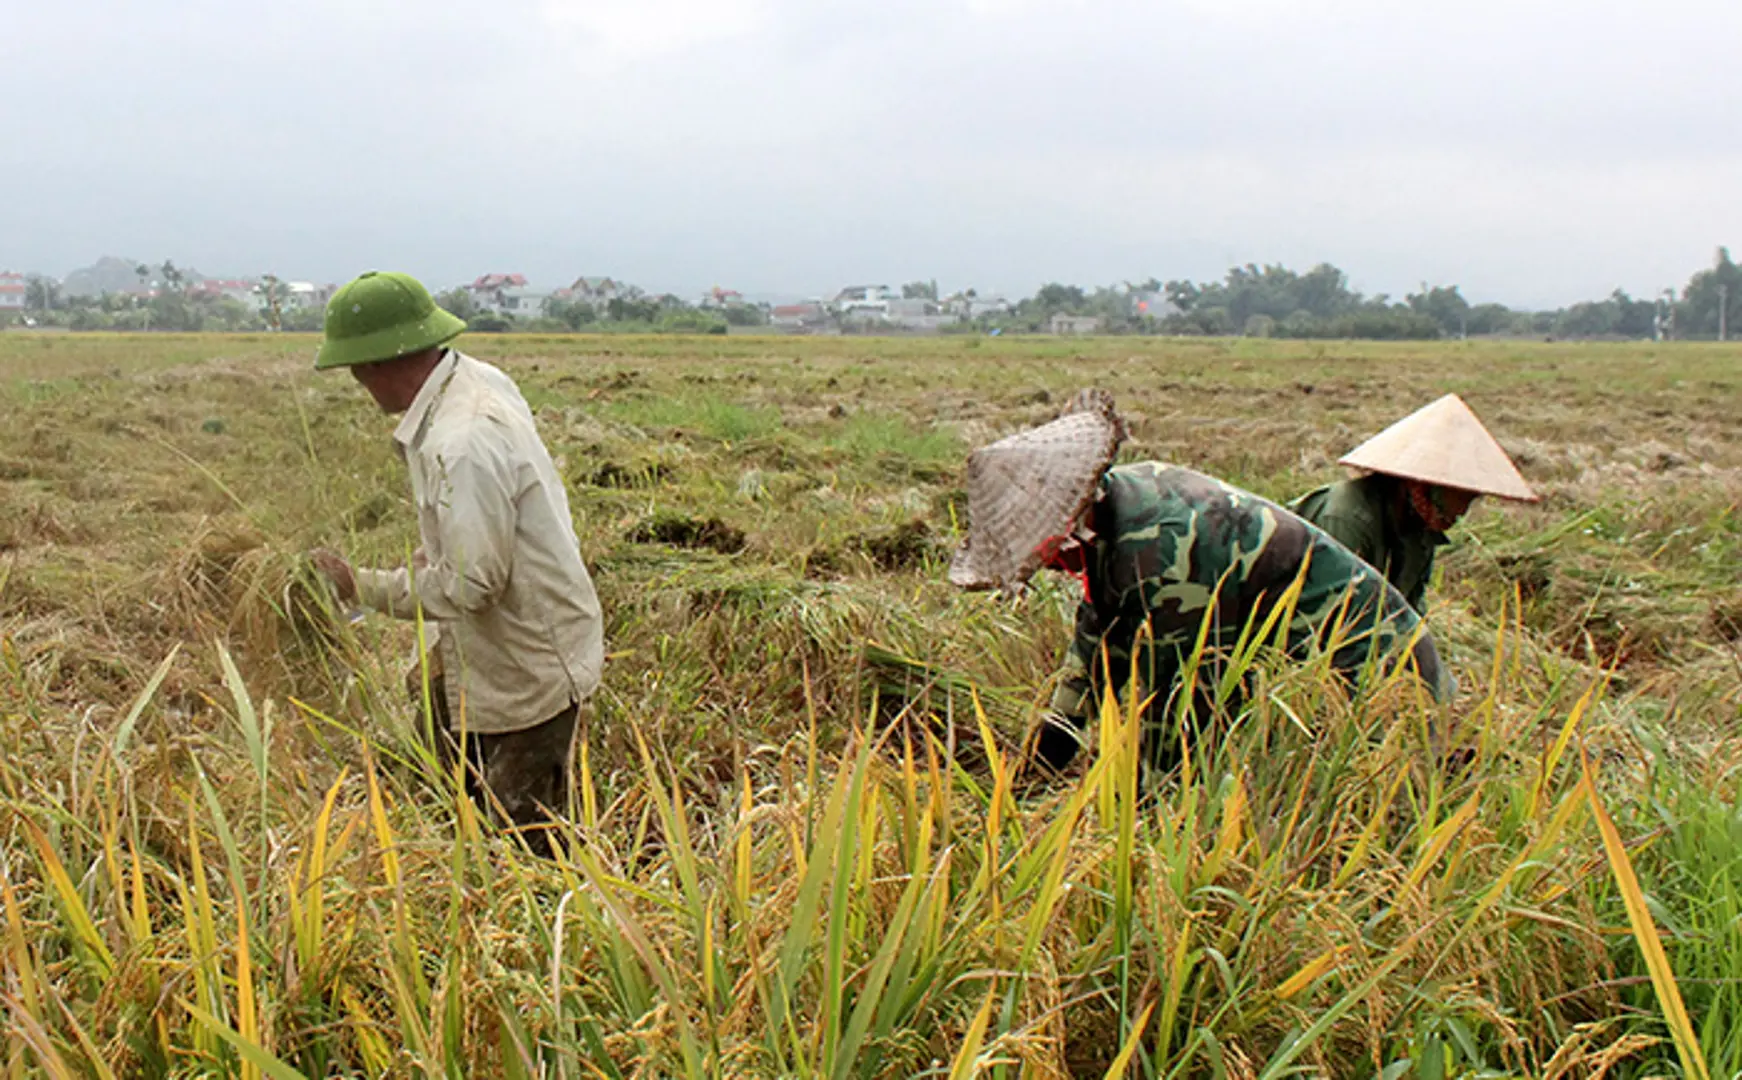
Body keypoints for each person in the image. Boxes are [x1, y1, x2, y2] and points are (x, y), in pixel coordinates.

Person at [947, 390, 1447, 777]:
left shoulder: (1160, 552)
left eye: (1042, 552)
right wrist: (1047, 752)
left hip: (1375, 663)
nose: (1045, 567)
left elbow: (1180, 704)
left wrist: (1133, 816)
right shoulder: (1116, 506)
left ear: (1067, 520)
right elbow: (1098, 646)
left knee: (1366, 796)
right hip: (1297, 652)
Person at [306, 270, 603, 852]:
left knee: (525, 837)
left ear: (379, 362)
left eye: (357, 368)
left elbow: (473, 584)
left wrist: (357, 585)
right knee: (446, 788)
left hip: (527, 659)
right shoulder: (470, 381)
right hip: (487, 647)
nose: (358, 382)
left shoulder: (462, 440)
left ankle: (549, 930)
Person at [1291, 394, 1537, 613]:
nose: (1462, 511)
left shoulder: (1419, 527)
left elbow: (1409, 610)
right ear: (1422, 486)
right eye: (1459, 497)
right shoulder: (1346, 518)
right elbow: (1328, 616)